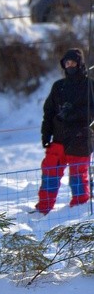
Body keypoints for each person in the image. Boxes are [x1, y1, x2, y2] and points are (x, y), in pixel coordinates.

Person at [35, 48, 94, 215]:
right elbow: (48, 112)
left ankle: (80, 210)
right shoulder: (58, 86)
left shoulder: (90, 85)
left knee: (78, 177)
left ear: (80, 64)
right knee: (49, 174)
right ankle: (43, 209)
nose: (70, 66)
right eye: (66, 63)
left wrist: (74, 113)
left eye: (73, 63)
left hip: (81, 139)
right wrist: (45, 135)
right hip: (59, 139)